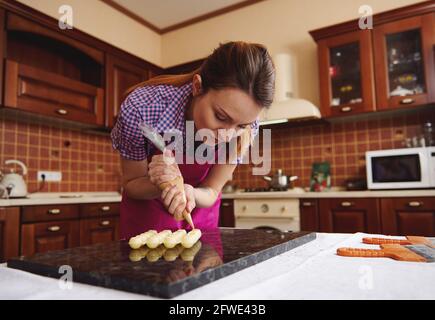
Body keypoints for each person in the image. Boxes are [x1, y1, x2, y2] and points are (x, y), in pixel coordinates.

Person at [111, 41, 275, 239]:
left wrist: (191, 193)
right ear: (197, 87)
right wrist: (164, 183)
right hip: (147, 227)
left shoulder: (250, 124)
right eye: (221, 117)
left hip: (200, 225)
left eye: (240, 126)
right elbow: (132, 183)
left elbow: (212, 190)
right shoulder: (142, 107)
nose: (227, 135)